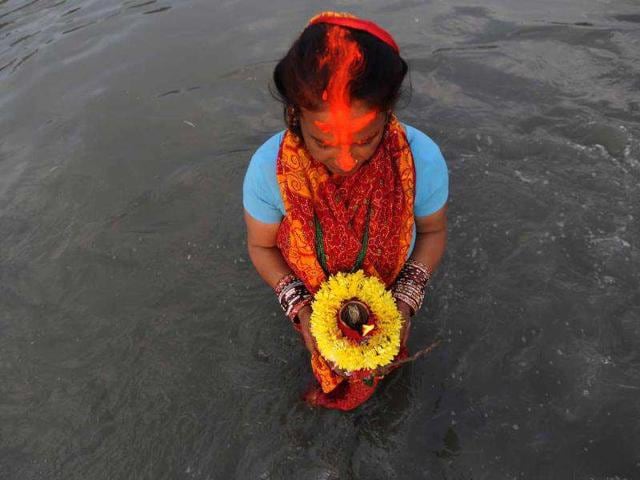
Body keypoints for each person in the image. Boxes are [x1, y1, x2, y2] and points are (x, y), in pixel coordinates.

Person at [243, 11, 448, 410]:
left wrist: (405, 300)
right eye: (323, 143)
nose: (347, 162)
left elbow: (433, 233)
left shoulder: (420, 160)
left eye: (366, 139)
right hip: (311, 293)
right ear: (294, 117)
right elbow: (262, 247)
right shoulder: (269, 171)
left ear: (388, 116)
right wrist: (300, 309)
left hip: (391, 293)